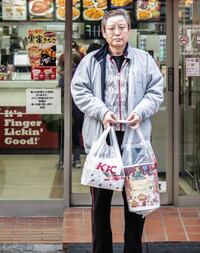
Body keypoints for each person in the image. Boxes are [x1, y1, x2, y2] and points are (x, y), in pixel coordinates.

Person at [71, 9, 163, 253]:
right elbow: (79, 90)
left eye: (121, 27)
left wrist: (140, 112)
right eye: (111, 28)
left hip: (134, 142)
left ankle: (133, 249)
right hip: (103, 142)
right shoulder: (91, 61)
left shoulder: (144, 59)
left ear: (129, 29)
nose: (117, 32)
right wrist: (102, 113)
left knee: (136, 202)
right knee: (100, 205)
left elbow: (155, 91)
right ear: (103, 32)